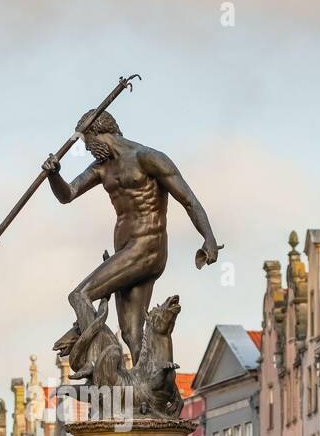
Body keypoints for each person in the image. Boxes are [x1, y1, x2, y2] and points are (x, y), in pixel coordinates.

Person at [46, 109, 219, 367]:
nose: (89, 151)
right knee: (131, 333)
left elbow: (189, 200)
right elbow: (68, 194)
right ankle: (148, 396)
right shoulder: (102, 168)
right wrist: (53, 174)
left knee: (79, 295)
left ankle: (97, 362)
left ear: (99, 134)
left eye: (88, 144)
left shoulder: (148, 158)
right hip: (125, 251)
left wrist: (209, 238)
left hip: (147, 246)